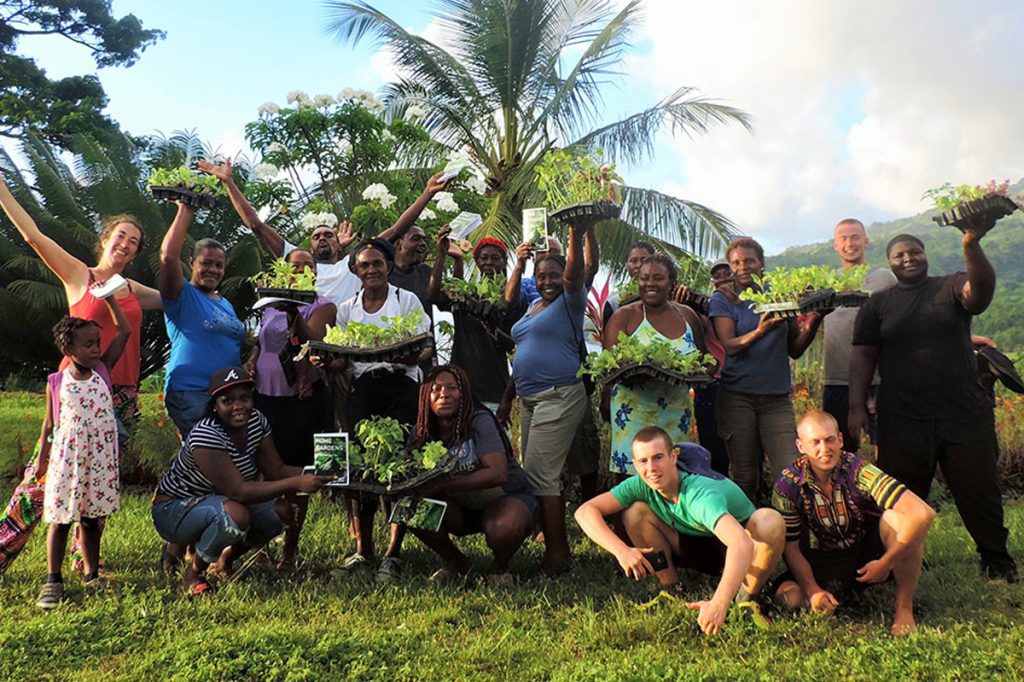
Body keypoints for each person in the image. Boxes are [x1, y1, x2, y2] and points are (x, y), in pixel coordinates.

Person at [849, 230, 1018, 582]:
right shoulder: (877, 305)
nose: (908, 258)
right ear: (890, 263)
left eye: (915, 252)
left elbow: (980, 295)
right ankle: (897, 560)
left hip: (964, 413)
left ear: (926, 255)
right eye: (899, 255)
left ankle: (996, 561)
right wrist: (856, 406)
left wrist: (970, 244)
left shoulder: (951, 286)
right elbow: (864, 357)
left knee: (979, 490)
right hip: (902, 417)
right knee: (898, 495)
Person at [574, 426, 785, 636]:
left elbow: (741, 543)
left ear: (673, 457)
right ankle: (672, 589)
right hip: (696, 542)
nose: (651, 468)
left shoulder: (699, 494)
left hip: (740, 555)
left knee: (769, 520)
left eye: (658, 457)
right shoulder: (640, 484)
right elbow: (584, 512)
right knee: (635, 512)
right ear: (636, 466)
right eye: (643, 461)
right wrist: (622, 551)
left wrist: (719, 603)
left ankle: (745, 600)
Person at [0, 175, 161, 439]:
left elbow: (179, 299)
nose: (125, 243)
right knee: (68, 462)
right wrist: (2, 192)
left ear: (134, 255)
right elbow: (34, 237)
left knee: (109, 467)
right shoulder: (79, 275)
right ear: (106, 239)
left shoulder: (133, 289)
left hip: (123, 389)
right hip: (79, 384)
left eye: (133, 242)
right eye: (120, 236)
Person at [151, 367, 331, 596]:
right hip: (174, 509)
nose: (239, 406)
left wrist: (322, 473)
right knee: (237, 514)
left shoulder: (256, 421)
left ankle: (224, 562)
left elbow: (276, 469)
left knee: (283, 512)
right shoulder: (207, 434)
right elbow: (240, 491)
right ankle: (194, 574)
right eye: (228, 401)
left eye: (245, 398)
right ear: (215, 405)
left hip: (220, 502)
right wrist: (297, 483)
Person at [198, 159, 451, 310]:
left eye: (328, 235)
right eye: (317, 236)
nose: (322, 238)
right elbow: (257, 225)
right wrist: (229, 183)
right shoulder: (295, 260)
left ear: (338, 245)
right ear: (309, 244)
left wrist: (427, 193)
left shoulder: (352, 267)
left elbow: (396, 229)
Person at [772, 411, 935, 636]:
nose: (824, 449)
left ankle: (904, 609)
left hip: (864, 552)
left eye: (829, 440)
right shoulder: (787, 484)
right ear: (801, 446)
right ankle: (829, 595)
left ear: (840, 440)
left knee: (899, 520)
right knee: (788, 599)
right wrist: (812, 590)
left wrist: (886, 562)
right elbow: (790, 548)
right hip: (821, 559)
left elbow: (922, 513)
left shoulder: (858, 470)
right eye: (815, 442)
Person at [328, 238, 431, 582]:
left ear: (388, 266)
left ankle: (393, 552)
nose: (371, 269)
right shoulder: (347, 308)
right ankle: (363, 549)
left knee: (400, 467)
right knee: (359, 468)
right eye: (364, 265)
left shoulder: (407, 300)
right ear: (355, 271)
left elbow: (424, 349)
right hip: (363, 390)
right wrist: (327, 360)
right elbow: (342, 359)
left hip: (402, 387)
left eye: (377, 263)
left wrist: (407, 355)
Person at [506, 224, 594, 576]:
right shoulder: (532, 306)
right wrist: (505, 399)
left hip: (559, 394)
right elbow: (524, 352)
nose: (547, 280)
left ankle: (558, 554)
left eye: (554, 274)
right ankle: (548, 539)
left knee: (542, 474)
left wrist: (577, 228)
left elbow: (576, 270)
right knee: (535, 473)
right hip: (529, 399)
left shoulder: (571, 302)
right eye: (541, 275)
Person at [710, 237, 823, 503]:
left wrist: (816, 318)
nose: (743, 266)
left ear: (762, 263)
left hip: (776, 398)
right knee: (746, 476)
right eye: (736, 262)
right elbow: (729, 345)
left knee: (791, 470)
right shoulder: (725, 299)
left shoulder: (779, 293)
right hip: (737, 397)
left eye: (749, 260)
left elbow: (794, 348)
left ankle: (792, 534)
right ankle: (748, 536)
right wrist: (760, 332)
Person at [33, 299, 130, 609]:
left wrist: (112, 299)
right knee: (60, 520)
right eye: (88, 345)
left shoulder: (104, 369)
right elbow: (50, 423)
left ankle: (91, 575)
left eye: (97, 343)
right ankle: (53, 579)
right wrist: (41, 459)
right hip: (67, 459)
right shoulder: (57, 382)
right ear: (68, 351)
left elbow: (125, 330)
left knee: (91, 521)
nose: (95, 350)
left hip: (99, 461)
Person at [245, 248, 336, 568]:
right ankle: (257, 546)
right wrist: (252, 361)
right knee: (261, 472)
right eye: (294, 267)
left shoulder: (323, 305)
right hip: (265, 398)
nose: (301, 271)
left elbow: (314, 339)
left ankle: (290, 552)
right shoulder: (269, 305)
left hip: (301, 400)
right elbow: (261, 342)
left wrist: (295, 310)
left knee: (298, 473)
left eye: (307, 267)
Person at [409, 365, 537, 584]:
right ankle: (458, 564)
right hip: (461, 509)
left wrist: (444, 485)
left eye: (452, 388)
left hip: (505, 498)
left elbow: (497, 473)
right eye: (436, 389)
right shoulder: (422, 431)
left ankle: (499, 567)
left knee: (503, 527)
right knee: (410, 511)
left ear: (465, 393)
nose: (444, 394)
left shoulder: (479, 420)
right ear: (425, 396)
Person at [603, 254, 709, 476]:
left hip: (675, 414)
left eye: (658, 278)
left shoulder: (687, 315)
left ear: (671, 282)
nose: (650, 283)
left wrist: (694, 372)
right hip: (633, 414)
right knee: (633, 485)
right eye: (644, 278)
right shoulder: (624, 316)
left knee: (674, 478)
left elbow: (705, 360)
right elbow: (607, 367)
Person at [158, 202, 246, 437]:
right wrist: (185, 209)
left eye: (219, 265)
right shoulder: (182, 294)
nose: (213, 270)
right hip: (191, 392)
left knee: (223, 458)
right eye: (206, 263)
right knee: (207, 457)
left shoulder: (225, 303)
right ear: (191, 263)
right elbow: (168, 257)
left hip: (225, 393)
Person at [821, 219, 895, 447]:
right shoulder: (825, 282)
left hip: (879, 378)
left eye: (854, 237)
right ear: (835, 245)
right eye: (843, 238)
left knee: (887, 446)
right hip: (837, 379)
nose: (849, 243)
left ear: (866, 242)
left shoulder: (885, 278)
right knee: (841, 449)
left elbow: (904, 319)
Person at [428, 231, 519, 411]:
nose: (489, 262)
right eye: (484, 258)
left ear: (504, 262)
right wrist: (443, 255)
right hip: (461, 385)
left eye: (495, 258)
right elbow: (434, 295)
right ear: (477, 262)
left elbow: (515, 344)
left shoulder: (511, 297)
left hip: (495, 387)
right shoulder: (468, 294)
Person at [691, 259, 731, 475]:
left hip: (739, 380)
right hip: (712, 381)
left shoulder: (748, 305)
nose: (723, 279)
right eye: (718, 276)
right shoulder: (705, 307)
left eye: (728, 273)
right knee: (712, 443)